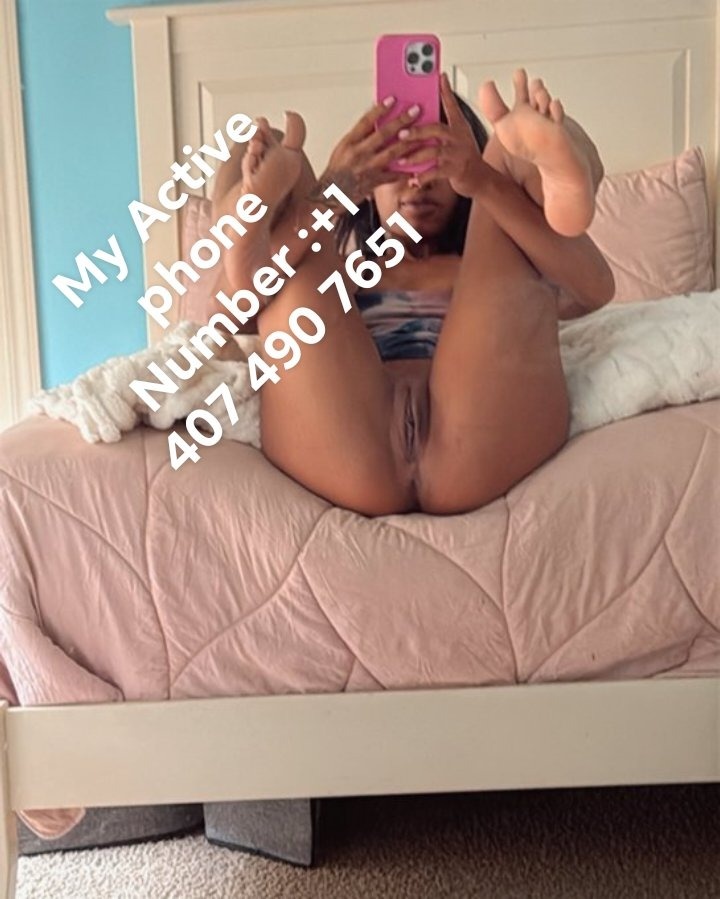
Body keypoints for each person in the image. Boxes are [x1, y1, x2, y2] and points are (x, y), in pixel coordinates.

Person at [209, 69, 615, 517]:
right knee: (274, 148)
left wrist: (482, 179)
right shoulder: (334, 274)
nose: (418, 182)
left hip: (476, 433)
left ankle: (565, 181)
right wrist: (333, 191)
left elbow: (594, 288)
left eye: (435, 161)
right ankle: (249, 218)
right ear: (368, 179)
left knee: (509, 142)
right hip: (348, 436)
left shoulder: (497, 261)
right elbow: (225, 319)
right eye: (400, 165)